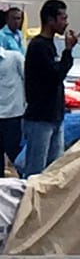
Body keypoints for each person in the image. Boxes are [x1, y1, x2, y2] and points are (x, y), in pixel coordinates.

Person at [23, 0, 76, 176]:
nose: (66, 22)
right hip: (40, 118)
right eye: (63, 18)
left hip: (55, 115)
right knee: (36, 171)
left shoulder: (51, 45)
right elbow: (55, 76)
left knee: (54, 170)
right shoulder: (38, 46)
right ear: (50, 20)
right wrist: (68, 51)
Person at [0, 41, 25, 174]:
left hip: (12, 116)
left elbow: (29, 80)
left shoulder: (14, 58)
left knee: (17, 156)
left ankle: (24, 187)